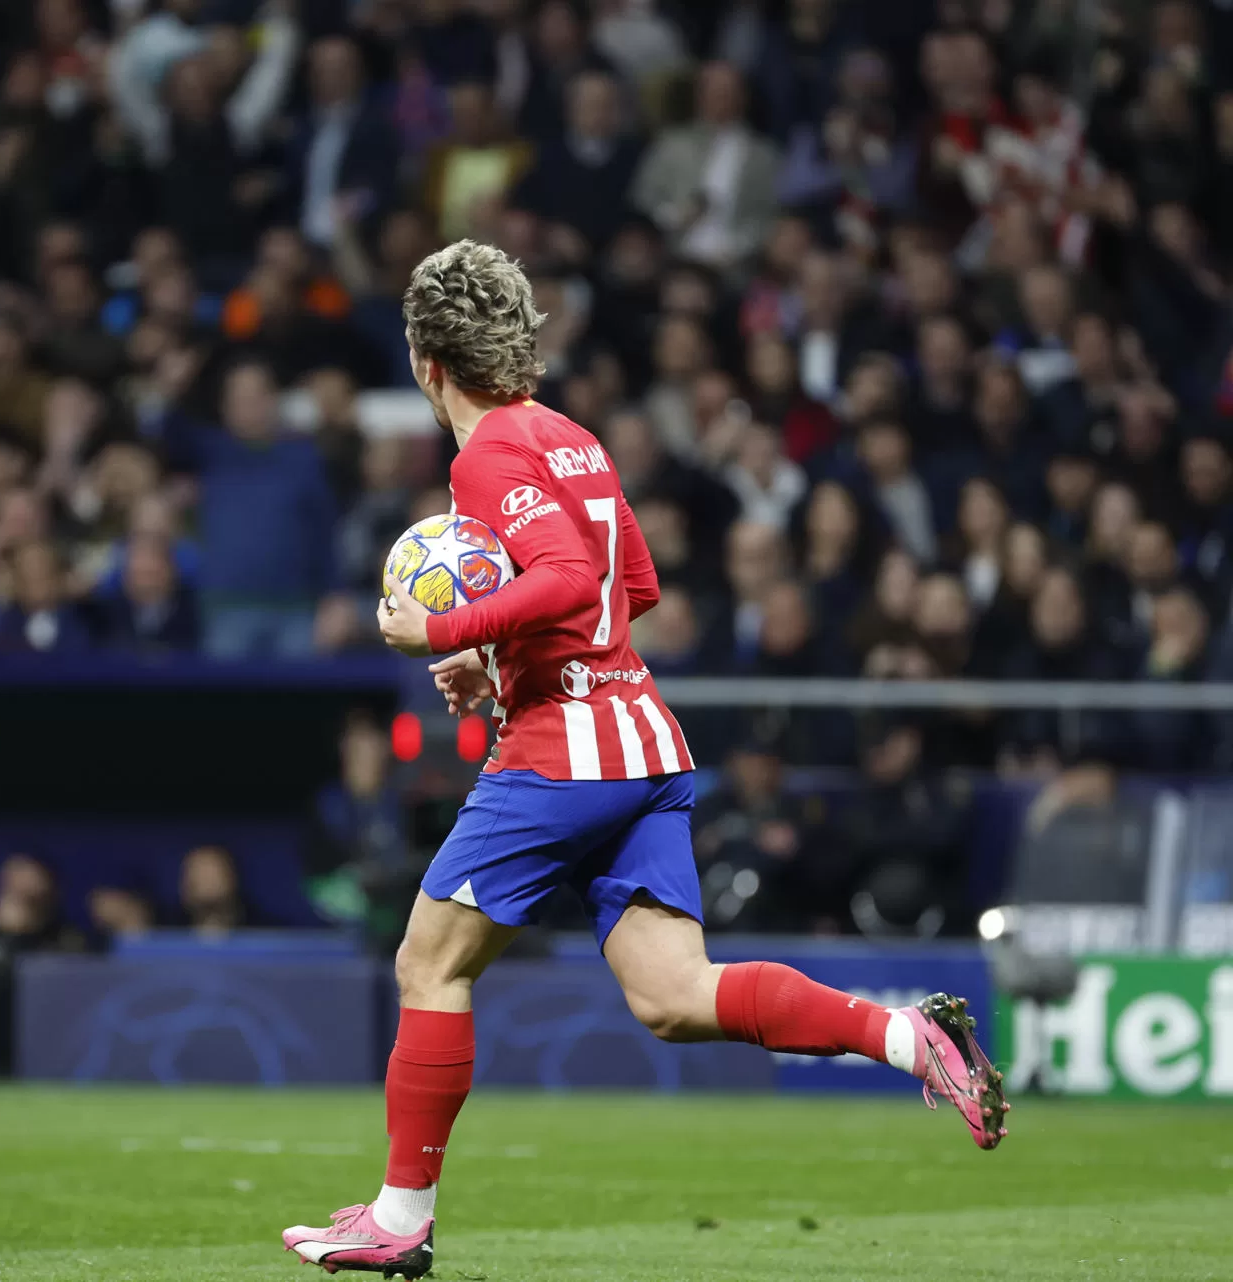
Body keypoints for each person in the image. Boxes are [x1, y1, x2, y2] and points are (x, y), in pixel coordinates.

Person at [282, 240, 1008, 1277]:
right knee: (675, 995)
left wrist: (451, 632)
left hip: (566, 751)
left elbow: (574, 580)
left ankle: (401, 1216)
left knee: (426, 963)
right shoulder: (573, 438)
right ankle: (905, 1040)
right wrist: (500, 658)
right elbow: (638, 588)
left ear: (423, 360)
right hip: (643, 740)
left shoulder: (484, 456)